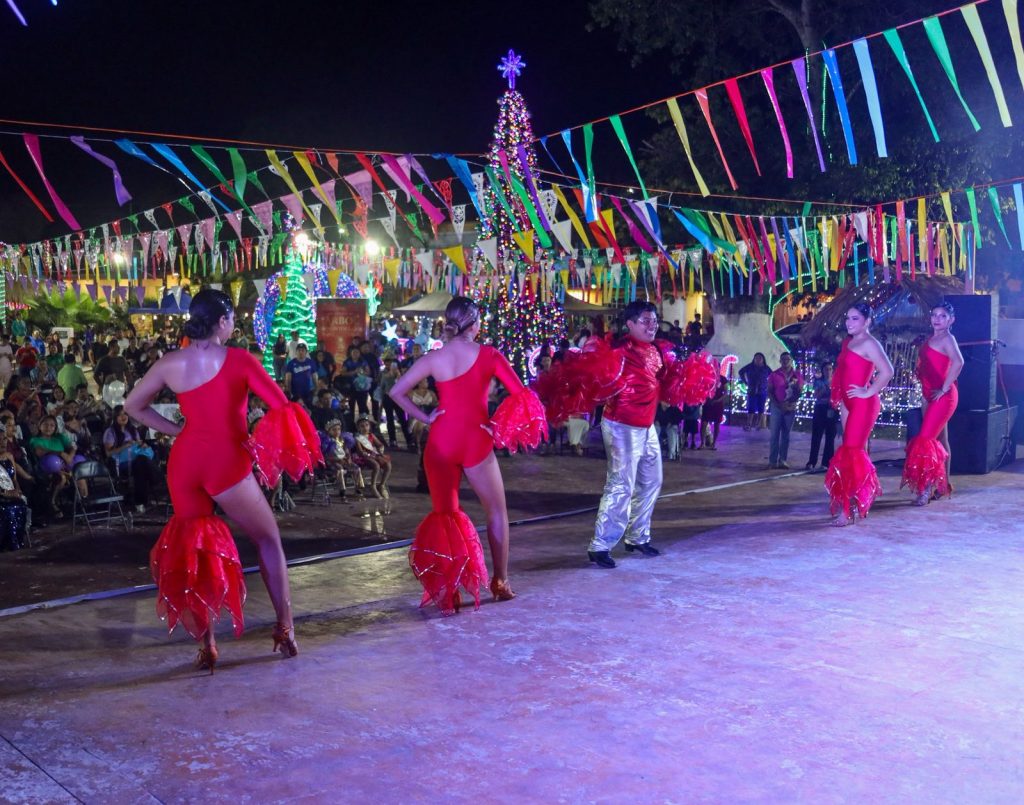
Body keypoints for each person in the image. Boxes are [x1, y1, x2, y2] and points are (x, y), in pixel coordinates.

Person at [124, 289, 322, 672]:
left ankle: (207, 645)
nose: (233, 325)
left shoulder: (169, 362)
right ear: (221, 321)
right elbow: (282, 408)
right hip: (225, 463)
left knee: (195, 554)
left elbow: (133, 406)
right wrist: (263, 451)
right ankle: (285, 627)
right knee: (268, 539)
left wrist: (176, 431)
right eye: (231, 319)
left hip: (185, 463)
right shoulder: (240, 360)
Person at [388, 296, 545, 614]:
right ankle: (500, 582)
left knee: (444, 516)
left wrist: (425, 417)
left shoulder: (435, 357)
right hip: (475, 440)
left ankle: (448, 593)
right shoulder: (489, 355)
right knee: (497, 513)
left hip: (441, 441)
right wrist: (498, 429)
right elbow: (523, 397)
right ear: (475, 325)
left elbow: (395, 392)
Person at [537, 301, 713, 569]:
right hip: (621, 426)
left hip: (647, 425)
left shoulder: (657, 350)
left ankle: (637, 536)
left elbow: (663, 382)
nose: (652, 325)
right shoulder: (618, 352)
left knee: (652, 481)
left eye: (654, 320)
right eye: (646, 321)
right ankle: (600, 545)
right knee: (621, 484)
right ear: (630, 324)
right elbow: (597, 385)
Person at [824, 303, 894, 526]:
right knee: (853, 452)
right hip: (849, 403)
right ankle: (856, 501)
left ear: (867, 321)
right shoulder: (849, 342)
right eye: (848, 318)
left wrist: (869, 391)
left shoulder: (870, 343)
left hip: (864, 404)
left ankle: (849, 509)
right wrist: (843, 399)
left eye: (855, 318)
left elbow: (888, 371)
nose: (849, 322)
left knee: (851, 452)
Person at [901, 302, 964, 505]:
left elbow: (959, 362)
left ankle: (925, 489)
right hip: (930, 396)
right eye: (934, 314)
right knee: (941, 441)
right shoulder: (933, 337)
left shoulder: (947, 338)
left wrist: (944, 388)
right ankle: (943, 486)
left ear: (951, 320)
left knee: (925, 440)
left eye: (942, 316)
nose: (937, 319)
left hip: (943, 397)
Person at [103, 405, 159, 512]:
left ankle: (140, 503)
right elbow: (108, 453)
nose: (123, 417)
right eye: (119, 415)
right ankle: (158, 480)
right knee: (142, 462)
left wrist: (142, 445)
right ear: (115, 417)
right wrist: (125, 446)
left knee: (141, 465)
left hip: (136, 461)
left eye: (125, 414)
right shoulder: (110, 432)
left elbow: (137, 446)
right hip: (121, 464)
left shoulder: (133, 430)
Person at [767, 352, 804, 469]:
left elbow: (800, 391)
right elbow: (770, 391)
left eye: (788, 359)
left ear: (791, 361)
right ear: (780, 361)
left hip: (790, 407)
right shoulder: (774, 374)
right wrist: (778, 404)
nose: (785, 361)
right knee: (774, 434)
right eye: (783, 359)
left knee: (786, 435)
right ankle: (772, 461)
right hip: (777, 407)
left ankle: (783, 460)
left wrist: (791, 403)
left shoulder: (797, 375)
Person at [805, 362, 838, 471]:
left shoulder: (836, 381)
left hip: (832, 409)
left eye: (830, 369)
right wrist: (825, 388)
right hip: (820, 408)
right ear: (823, 371)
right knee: (816, 436)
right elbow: (817, 395)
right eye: (826, 369)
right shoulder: (818, 381)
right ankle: (812, 461)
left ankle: (827, 462)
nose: (828, 371)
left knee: (830, 437)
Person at [352, 416, 392, 498]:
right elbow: (360, 452)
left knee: (388, 465)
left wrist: (381, 448)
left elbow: (379, 444)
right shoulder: (358, 438)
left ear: (369, 426)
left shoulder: (371, 435)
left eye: (367, 425)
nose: (365, 428)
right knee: (376, 465)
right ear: (358, 428)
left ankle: (382, 485)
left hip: (374, 455)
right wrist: (365, 453)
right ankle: (373, 486)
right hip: (364, 457)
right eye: (362, 426)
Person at [739, 353, 771, 430]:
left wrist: (767, 384)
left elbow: (772, 375)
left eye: (760, 358)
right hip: (752, 389)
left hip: (762, 390)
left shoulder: (766, 368)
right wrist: (745, 381)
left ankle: (758, 424)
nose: (758, 359)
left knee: (761, 407)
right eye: (756, 358)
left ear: (763, 359)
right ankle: (749, 424)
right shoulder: (750, 366)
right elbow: (741, 372)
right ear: (754, 359)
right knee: (751, 407)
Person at [284, 342, 317, 407]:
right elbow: (288, 379)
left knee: (308, 408)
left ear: (306, 352)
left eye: (303, 350)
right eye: (299, 350)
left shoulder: (311, 362)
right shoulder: (291, 363)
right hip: (295, 393)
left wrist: (316, 388)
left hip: (308, 392)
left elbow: (315, 377)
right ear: (296, 352)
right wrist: (289, 391)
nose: (301, 352)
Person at [699, 374, 727, 450]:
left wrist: (718, 400)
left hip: (718, 405)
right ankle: (702, 443)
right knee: (704, 423)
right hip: (708, 403)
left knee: (717, 424)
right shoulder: (707, 376)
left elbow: (726, 392)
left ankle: (713, 444)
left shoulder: (722, 379)